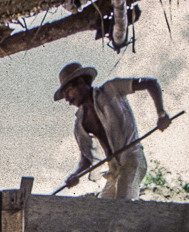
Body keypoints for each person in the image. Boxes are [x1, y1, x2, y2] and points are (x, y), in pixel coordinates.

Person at [54, 62, 172, 199]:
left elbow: (150, 83)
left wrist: (161, 114)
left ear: (80, 82)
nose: (67, 99)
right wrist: (76, 174)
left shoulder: (112, 89)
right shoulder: (80, 122)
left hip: (132, 159)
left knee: (122, 206)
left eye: (68, 91)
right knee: (102, 209)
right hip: (114, 170)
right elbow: (86, 157)